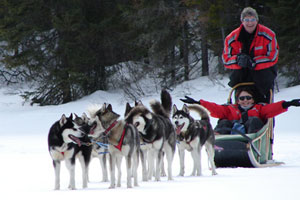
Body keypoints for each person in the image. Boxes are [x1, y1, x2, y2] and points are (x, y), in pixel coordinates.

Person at [180, 86, 300, 135]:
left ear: (253, 99)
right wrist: (198, 103)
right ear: (237, 100)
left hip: (251, 136)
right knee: (224, 122)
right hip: (232, 135)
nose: (245, 100)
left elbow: (271, 109)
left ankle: (250, 145)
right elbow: (214, 108)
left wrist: (287, 104)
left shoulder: (259, 108)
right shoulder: (231, 109)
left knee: (253, 120)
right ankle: (219, 143)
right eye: (242, 98)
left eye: (248, 98)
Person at [222, 7, 279, 103]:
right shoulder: (231, 38)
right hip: (241, 79)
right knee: (241, 110)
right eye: (246, 20)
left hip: (263, 79)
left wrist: (254, 62)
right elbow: (226, 59)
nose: (250, 23)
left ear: (257, 20)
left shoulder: (268, 35)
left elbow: (273, 56)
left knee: (265, 111)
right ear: (242, 21)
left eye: (252, 20)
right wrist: (238, 60)